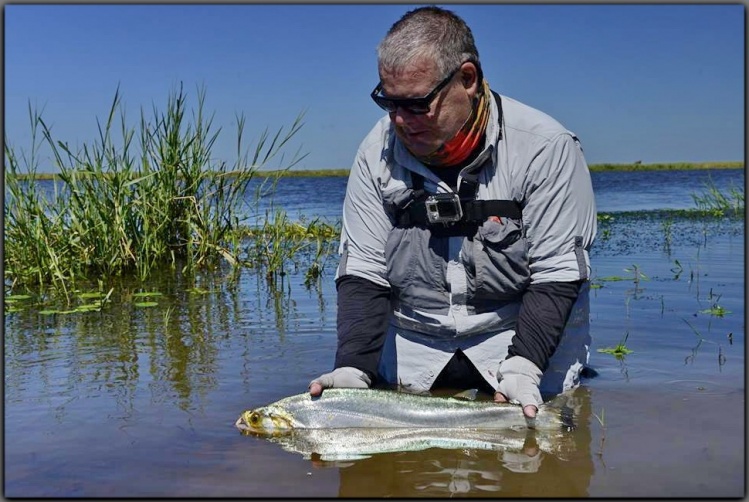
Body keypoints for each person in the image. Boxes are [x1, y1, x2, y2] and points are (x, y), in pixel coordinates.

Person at [309, 5, 597, 419]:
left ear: (468, 79)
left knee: (545, 451)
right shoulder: (375, 152)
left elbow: (557, 272)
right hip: (414, 340)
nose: (400, 121)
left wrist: (525, 365)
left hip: (520, 337)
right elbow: (364, 270)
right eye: (388, 103)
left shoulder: (546, 147)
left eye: (416, 104)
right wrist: (353, 366)